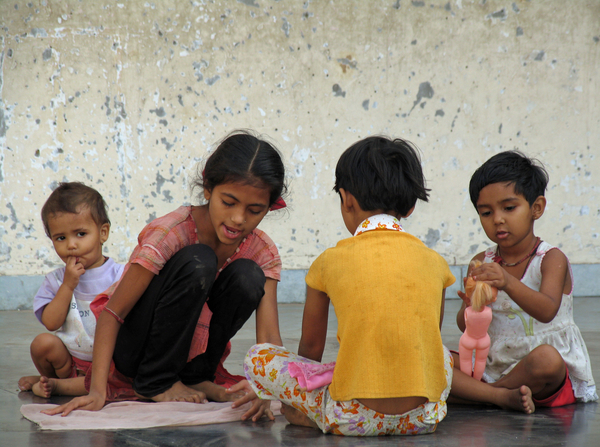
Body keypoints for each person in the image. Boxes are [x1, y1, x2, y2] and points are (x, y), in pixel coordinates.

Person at [44, 131, 287, 421]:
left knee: (249, 276)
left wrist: (267, 387)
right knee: (200, 260)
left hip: (190, 359)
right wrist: (98, 391)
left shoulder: (262, 250)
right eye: (229, 202)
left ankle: (195, 377)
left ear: (269, 207)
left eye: (254, 210)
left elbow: (270, 336)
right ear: (208, 189)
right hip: (135, 355)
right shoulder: (171, 232)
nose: (238, 218)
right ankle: (155, 381)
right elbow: (113, 313)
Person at [244, 136, 457, 436]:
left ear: (347, 200)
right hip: (423, 417)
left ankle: (316, 416)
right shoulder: (435, 262)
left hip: (351, 417)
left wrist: (295, 400)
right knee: (443, 353)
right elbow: (428, 339)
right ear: (409, 207)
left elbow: (311, 350)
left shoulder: (329, 261)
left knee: (258, 357)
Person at [453, 150, 597, 407]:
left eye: (509, 208)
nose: (498, 219)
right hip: (492, 361)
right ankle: (500, 396)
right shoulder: (481, 260)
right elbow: (467, 330)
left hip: (537, 368)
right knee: (432, 356)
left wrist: (508, 282)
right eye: (486, 213)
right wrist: (470, 306)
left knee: (547, 361)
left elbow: (546, 310)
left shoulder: (550, 259)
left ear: (536, 208)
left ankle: (480, 395)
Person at [18, 182, 124, 398]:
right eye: (61, 238)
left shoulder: (120, 275)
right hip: (70, 362)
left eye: (81, 234)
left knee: (127, 372)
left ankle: (55, 386)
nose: (71, 245)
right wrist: (67, 286)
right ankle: (59, 380)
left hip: (113, 363)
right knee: (42, 344)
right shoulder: (56, 280)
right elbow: (51, 323)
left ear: (103, 233)